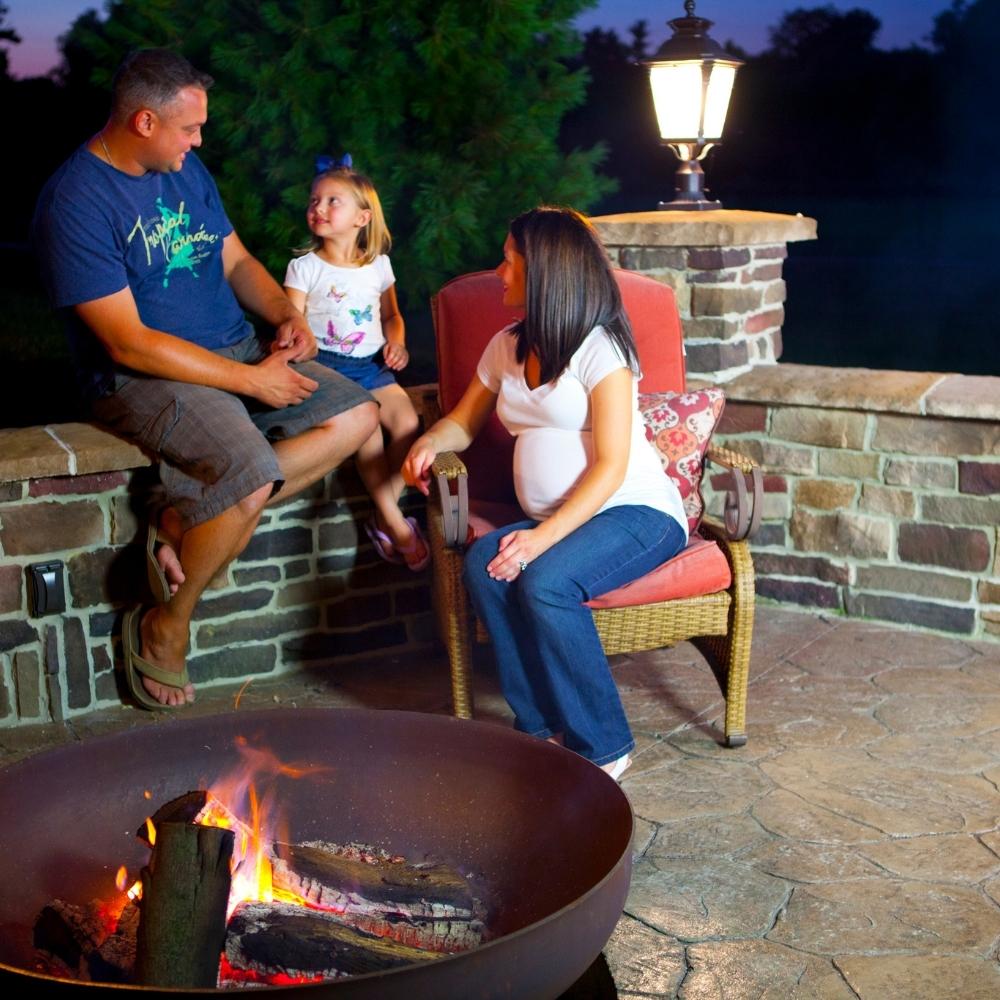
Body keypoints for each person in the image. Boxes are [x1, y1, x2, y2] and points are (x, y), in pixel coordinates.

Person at [31, 49, 378, 710]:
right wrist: (254, 385)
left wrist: (283, 314)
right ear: (142, 122)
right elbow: (127, 341)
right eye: (189, 128)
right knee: (247, 476)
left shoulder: (182, 171)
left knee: (359, 417)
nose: (199, 140)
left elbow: (236, 258)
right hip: (145, 378)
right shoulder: (75, 201)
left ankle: (179, 516)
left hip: (238, 349)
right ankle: (166, 623)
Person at [402, 207, 689, 779]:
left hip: (633, 511)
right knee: (484, 563)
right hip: (564, 519)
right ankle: (539, 731)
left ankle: (605, 747)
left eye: (510, 260)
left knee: (547, 583)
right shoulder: (506, 345)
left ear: (545, 270)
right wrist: (430, 442)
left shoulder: (604, 350)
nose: (499, 271)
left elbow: (610, 467)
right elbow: (462, 421)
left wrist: (536, 543)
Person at [284, 162, 427, 570]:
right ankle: (397, 525)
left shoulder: (378, 265)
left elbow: (392, 317)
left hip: (370, 365)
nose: (319, 207)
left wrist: (397, 342)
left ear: (362, 218)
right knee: (369, 431)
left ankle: (383, 514)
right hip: (326, 369)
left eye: (333, 200)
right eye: (314, 200)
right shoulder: (305, 267)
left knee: (407, 424)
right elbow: (292, 322)